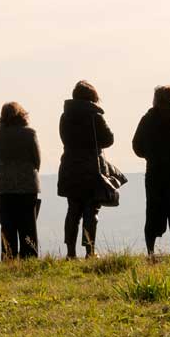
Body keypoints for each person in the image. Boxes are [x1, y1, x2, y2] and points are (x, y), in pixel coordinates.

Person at [57, 81, 116, 258]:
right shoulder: (95, 116)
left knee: (73, 210)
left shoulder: (65, 116)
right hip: (91, 167)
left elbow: (64, 138)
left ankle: (70, 253)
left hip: (70, 167)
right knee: (91, 210)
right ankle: (90, 251)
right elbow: (108, 139)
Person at [133, 86, 170, 256]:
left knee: (153, 209)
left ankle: (151, 252)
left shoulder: (147, 118)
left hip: (153, 169)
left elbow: (136, 145)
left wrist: (149, 155)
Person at [0, 102, 42, 259]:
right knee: (28, 224)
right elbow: (37, 160)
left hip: (5, 185)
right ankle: (29, 257)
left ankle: (9, 256)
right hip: (28, 184)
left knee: (7, 225)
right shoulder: (30, 133)